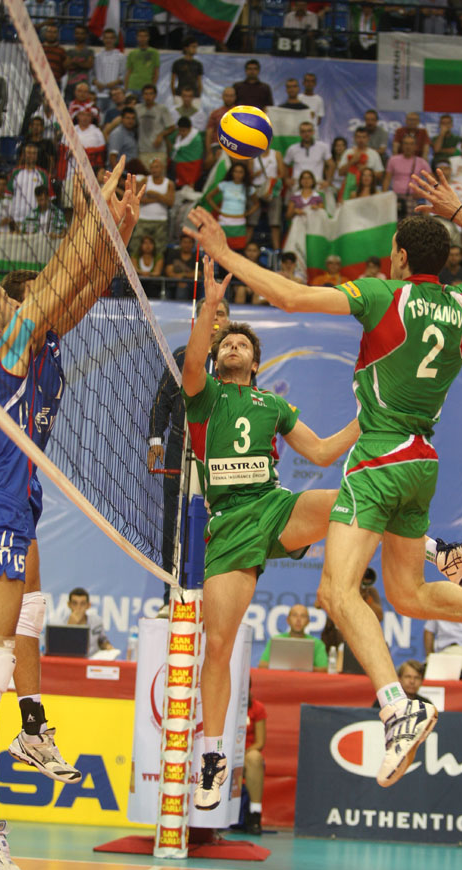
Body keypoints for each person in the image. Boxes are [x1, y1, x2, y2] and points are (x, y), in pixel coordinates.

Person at [184, 169, 462, 792]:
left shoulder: (383, 295)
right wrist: (461, 213)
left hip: (380, 458)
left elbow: (291, 297)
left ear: (402, 257)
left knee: (336, 594)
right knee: (408, 594)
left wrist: (225, 254)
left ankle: (396, 707)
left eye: (393, 250)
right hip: (421, 463)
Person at [0, 158, 142, 870]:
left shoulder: (13, 353)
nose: (27, 301)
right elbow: (60, 279)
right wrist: (89, 213)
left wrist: (114, 234)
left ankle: (25, 740)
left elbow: (78, 287)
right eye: (15, 299)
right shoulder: (5, 351)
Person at [183, 259, 360, 809]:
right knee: (218, 645)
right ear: (217, 358)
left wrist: (371, 417)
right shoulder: (203, 395)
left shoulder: (274, 405)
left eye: (242, 345)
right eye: (226, 345)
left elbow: (324, 452)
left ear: (256, 363)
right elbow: (191, 360)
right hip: (228, 524)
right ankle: (213, 758)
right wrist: (211, 308)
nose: (233, 347)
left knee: (354, 497)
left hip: (273, 505)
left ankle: (434, 552)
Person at [148, 295, 231, 605]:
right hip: (179, 447)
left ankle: (210, 600)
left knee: (217, 524)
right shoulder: (184, 355)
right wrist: (155, 439)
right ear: (199, 321)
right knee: (174, 522)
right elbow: (162, 400)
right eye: (211, 313)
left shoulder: (233, 361)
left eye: (221, 313)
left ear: (228, 321)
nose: (216, 318)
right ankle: (170, 596)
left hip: (217, 455)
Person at [203, 162, 257, 251]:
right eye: (235, 171)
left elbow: (256, 204)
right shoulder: (224, 185)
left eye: (240, 172)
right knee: (221, 248)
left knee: (238, 248)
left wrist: (247, 213)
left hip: (239, 222)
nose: (238, 174)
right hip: (224, 220)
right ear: (232, 173)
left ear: (244, 174)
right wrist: (218, 210)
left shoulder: (248, 188)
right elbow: (208, 197)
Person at [258, 604, 329, 671]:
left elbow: (324, 669)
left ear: (308, 622)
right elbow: (262, 665)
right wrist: (289, 667)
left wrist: (301, 668)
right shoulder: (275, 640)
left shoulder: (317, 644)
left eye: (303, 616)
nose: (298, 620)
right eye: (295, 615)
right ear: (288, 620)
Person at [53, 588, 114, 656]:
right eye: (74, 603)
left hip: (91, 659)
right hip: (69, 660)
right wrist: (70, 626)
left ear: (88, 605)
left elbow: (102, 640)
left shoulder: (97, 622)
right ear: (69, 604)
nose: (78, 607)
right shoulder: (58, 624)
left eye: (82, 604)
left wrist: (107, 646)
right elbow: (57, 648)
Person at [284, 121, 333, 193]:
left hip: (317, 184)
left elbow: (331, 165)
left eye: (309, 131)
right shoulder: (292, 149)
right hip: (297, 184)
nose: (306, 134)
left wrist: (328, 181)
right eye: (303, 131)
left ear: (313, 132)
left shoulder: (323, 147)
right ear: (300, 133)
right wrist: (286, 179)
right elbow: (285, 164)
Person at [243, 682, 266, 835]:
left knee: (255, 758)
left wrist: (243, 753)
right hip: (225, 751)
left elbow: (260, 742)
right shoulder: (224, 703)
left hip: (247, 752)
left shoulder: (257, 708)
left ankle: (255, 813)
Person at [135, 83, 174, 170]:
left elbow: (172, 127)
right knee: (143, 177)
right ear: (142, 95)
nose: (148, 96)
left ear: (155, 95)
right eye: (146, 94)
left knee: (160, 177)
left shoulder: (162, 109)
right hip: (143, 151)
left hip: (159, 151)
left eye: (151, 94)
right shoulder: (137, 108)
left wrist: (161, 135)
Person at [93, 28, 126, 115]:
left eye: (111, 38)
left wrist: (114, 83)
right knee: (98, 116)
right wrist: (96, 82)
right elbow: (92, 75)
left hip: (114, 95)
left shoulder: (121, 57)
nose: (108, 40)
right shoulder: (97, 56)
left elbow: (123, 75)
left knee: (113, 116)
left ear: (115, 40)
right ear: (103, 39)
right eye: (106, 38)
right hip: (99, 93)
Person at [64, 25, 94, 104]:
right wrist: (82, 63)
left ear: (86, 35)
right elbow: (66, 65)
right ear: (74, 35)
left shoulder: (89, 51)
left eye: (82, 33)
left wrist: (74, 61)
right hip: (70, 84)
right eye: (77, 33)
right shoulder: (70, 51)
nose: (79, 35)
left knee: (83, 107)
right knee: (67, 107)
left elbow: (89, 65)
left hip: (83, 85)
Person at [125, 28, 159, 97]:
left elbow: (156, 72)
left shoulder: (154, 53)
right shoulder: (132, 53)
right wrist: (126, 88)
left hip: (147, 88)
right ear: (137, 38)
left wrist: (153, 86)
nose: (142, 38)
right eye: (140, 36)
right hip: (132, 86)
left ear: (148, 37)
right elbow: (128, 72)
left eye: (144, 36)